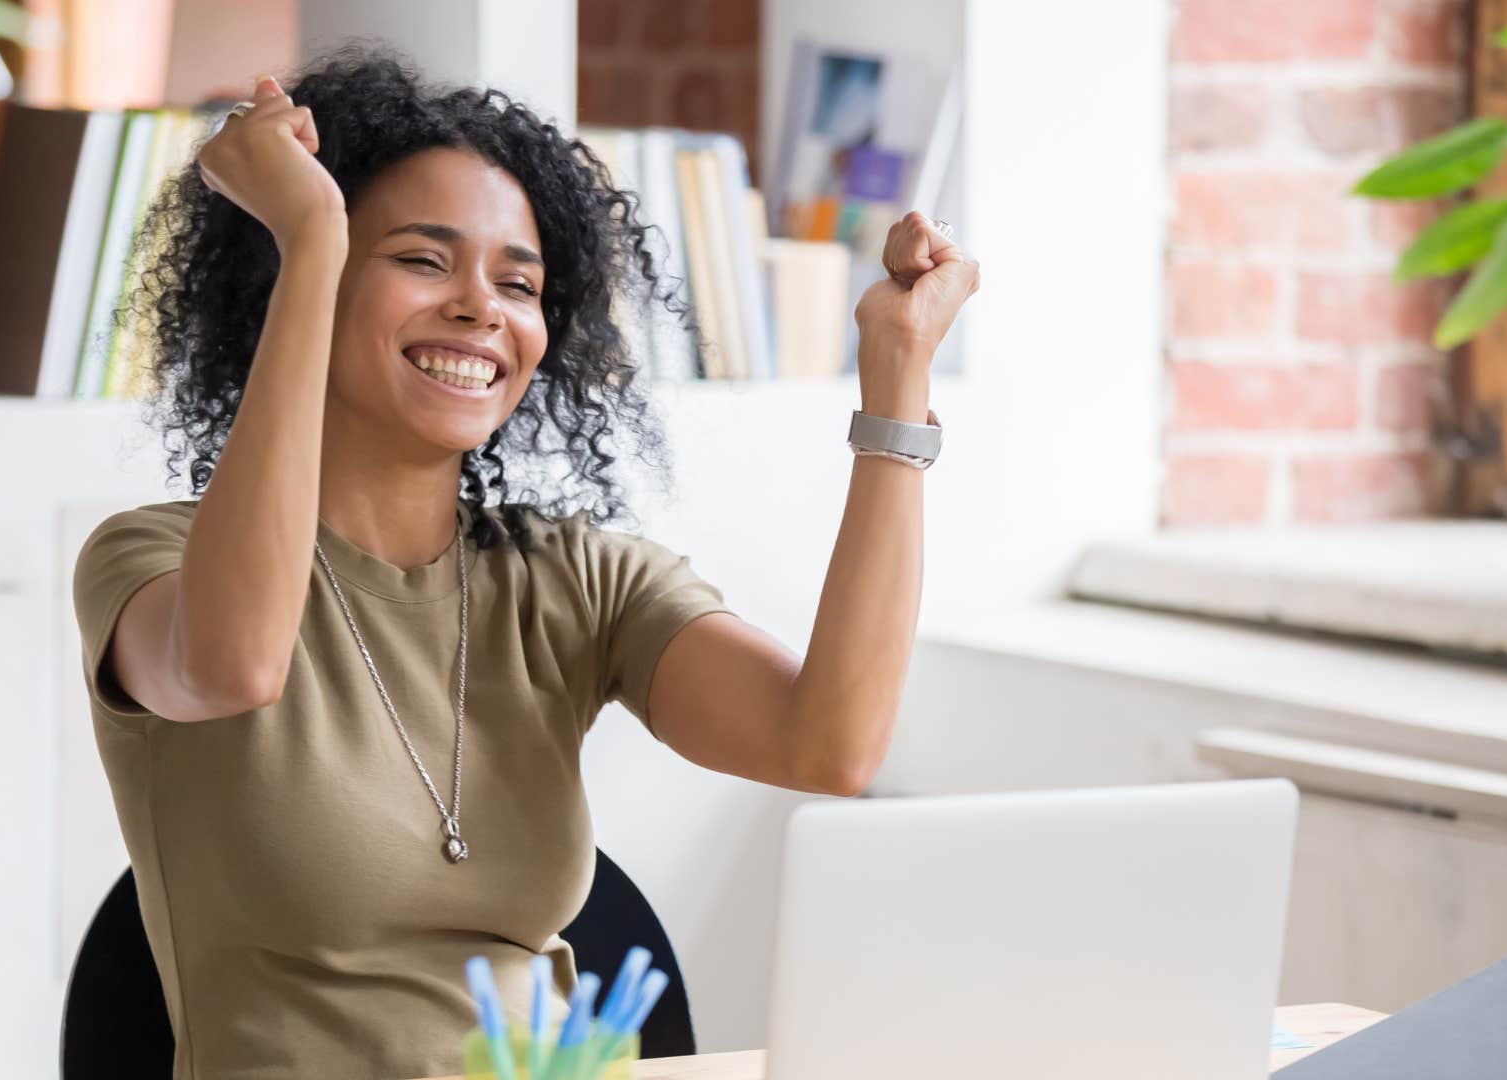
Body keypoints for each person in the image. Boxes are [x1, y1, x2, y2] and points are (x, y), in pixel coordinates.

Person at [71, 44, 977, 1080]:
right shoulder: (153, 559)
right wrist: (313, 233)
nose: (480, 306)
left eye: (519, 281)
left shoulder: (573, 579)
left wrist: (897, 379)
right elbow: (233, 664)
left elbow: (831, 748)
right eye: (420, 258)